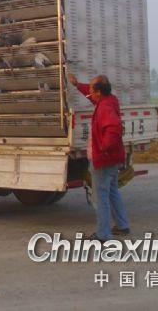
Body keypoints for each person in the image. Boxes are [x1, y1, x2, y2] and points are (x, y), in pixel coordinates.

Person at [67, 73, 130, 241]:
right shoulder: (109, 101)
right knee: (112, 192)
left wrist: (103, 149)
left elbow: (114, 129)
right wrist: (77, 85)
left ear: (99, 92)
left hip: (103, 160)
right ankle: (122, 225)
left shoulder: (105, 108)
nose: (89, 92)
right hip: (112, 159)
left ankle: (103, 234)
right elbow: (90, 94)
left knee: (100, 198)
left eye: (91, 89)